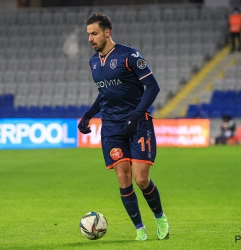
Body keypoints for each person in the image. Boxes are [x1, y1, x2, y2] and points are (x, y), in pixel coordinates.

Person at [78, 13, 169, 241]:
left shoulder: (129, 55)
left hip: (137, 123)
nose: (90, 38)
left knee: (141, 179)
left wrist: (137, 114)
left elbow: (152, 86)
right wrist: (89, 114)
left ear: (107, 32)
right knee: (123, 178)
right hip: (111, 127)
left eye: (94, 33)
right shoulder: (92, 63)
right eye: (88, 34)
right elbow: (105, 94)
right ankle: (139, 229)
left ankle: (159, 217)